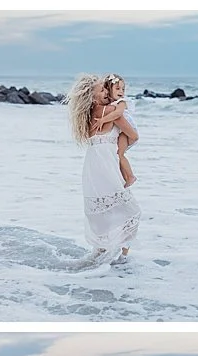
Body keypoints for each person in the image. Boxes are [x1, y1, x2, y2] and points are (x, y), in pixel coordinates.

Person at [66, 73, 140, 265]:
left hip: (93, 166)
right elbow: (134, 135)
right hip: (106, 165)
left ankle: (101, 255)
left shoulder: (88, 115)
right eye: (102, 90)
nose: (106, 92)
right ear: (92, 97)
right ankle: (122, 259)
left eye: (106, 88)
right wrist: (122, 149)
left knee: (103, 215)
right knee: (131, 212)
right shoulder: (110, 110)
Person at [93, 74, 139, 187]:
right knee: (118, 155)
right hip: (121, 131)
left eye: (123, 89)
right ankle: (124, 178)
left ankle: (130, 176)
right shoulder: (109, 103)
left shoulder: (121, 102)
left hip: (126, 132)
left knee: (120, 154)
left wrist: (102, 120)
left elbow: (117, 114)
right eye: (117, 88)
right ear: (109, 89)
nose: (121, 92)